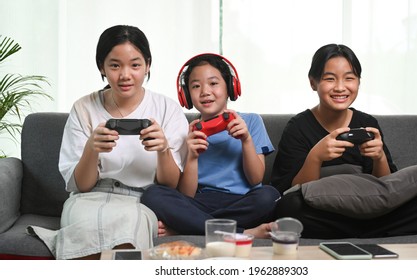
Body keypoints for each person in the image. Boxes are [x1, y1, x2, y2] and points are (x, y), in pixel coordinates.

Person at [27, 25, 188, 259]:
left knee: (130, 231)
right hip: (87, 198)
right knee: (84, 230)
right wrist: (91, 149)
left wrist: (163, 149)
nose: (125, 75)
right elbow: (82, 185)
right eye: (114, 65)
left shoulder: (167, 110)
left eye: (135, 65)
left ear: (148, 65)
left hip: (140, 201)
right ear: (101, 66)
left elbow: (171, 184)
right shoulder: (83, 108)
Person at [271, 44, 417, 239]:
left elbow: (388, 189)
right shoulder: (298, 126)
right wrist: (316, 157)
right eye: (330, 79)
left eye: (349, 78)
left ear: (358, 82)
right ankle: (375, 230)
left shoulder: (367, 123)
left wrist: (379, 157)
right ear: (313, 83)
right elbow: (287, 192)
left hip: (368, 208)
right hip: (325, 210)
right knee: (289, 208)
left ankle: (355, 230)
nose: (340, 87)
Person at [141, 53, 281, 238]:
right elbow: (187, 194)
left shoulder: (250, 121)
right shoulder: (186, 130)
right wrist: (192, 156)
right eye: (196, 86)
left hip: (243, 201)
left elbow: (255, 179)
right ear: (186, 95)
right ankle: (242, 233)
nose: (205, 91)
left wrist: (246, 140)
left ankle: (189, 227)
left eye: (213, 83)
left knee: (269, 195)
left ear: (230, 86)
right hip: (202, 202)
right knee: (153, 195)